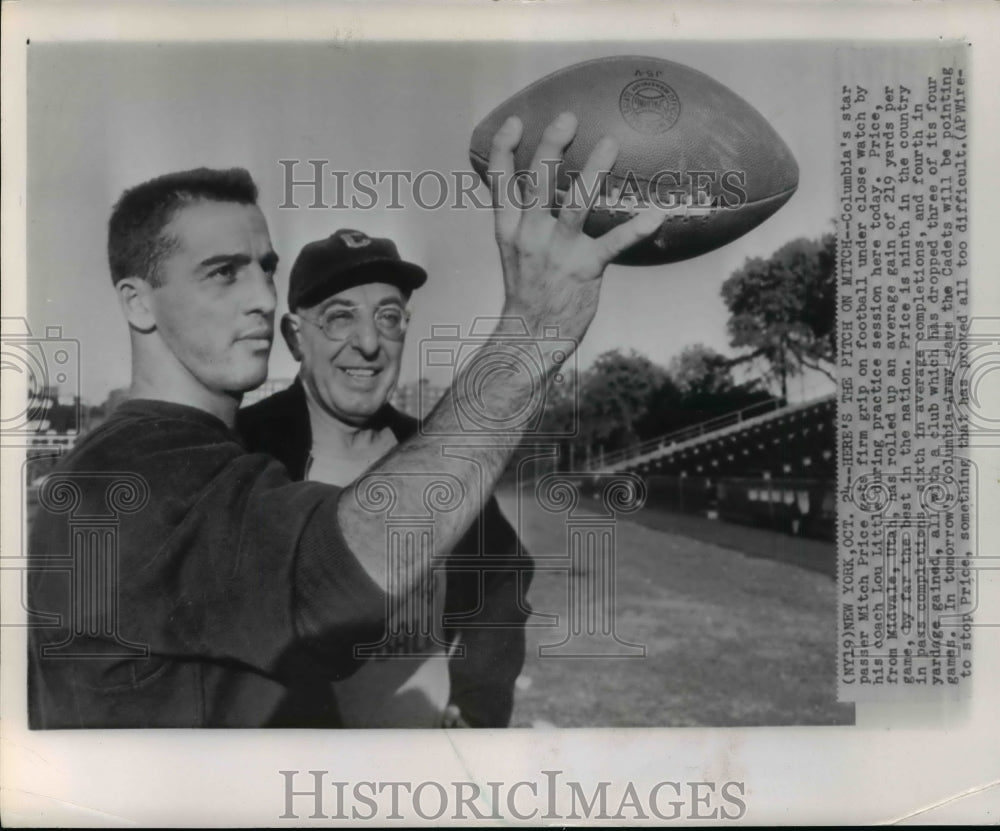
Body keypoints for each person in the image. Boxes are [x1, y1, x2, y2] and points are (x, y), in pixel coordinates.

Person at [27, 113, 664, 728]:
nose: (259, 296)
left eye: (265, 269)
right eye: (223, 273)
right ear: (137, 302)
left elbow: (495, 588)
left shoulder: (205, 457)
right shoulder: (131, 469)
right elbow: (335, 578)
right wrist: (532, 333)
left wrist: (473, 714)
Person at [237, 228, 531, 728]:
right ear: (293, 337)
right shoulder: (244, 452)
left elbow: (502, 575)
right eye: (339, 317)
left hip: (424, 776)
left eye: (388, 317)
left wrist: (478, 702)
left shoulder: (435, 455)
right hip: (289, 781)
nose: (369, 343)